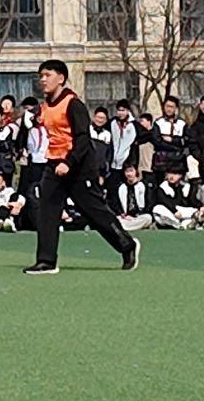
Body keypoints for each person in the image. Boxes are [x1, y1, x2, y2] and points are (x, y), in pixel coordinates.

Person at [22, 59, 139, 275]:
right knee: (47, 210)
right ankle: (46, 261)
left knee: (94, 212)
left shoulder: (73, 104)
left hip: (78, 166)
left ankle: (127, 245)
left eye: (47, 75)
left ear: (61, 78)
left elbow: (83, 139)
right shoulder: (46, 105)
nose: (43, 80)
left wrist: (69, 162)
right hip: (54, 164)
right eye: (41, 76)